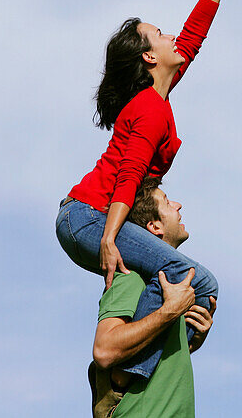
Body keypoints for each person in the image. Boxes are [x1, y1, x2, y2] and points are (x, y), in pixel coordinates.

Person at [57, 0, 234, 380]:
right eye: (160, 33)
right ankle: (123, 376)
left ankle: (142, 359)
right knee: (194, 278)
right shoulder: (151, 108)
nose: (174, 35)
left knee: (197, 286)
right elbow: (128, 176)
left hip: (94, 215)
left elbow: (195, 34)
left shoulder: (159, 93)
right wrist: (111, 237)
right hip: (90, 216)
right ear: (149, 57)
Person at [88, 178, 216, 418]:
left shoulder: (173, 289)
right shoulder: (131, 277)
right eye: (167, 203)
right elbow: (105, 351)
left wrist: (192, 342)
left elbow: (156, 361)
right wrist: (169, 312)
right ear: (154, 227)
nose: (178, 206)